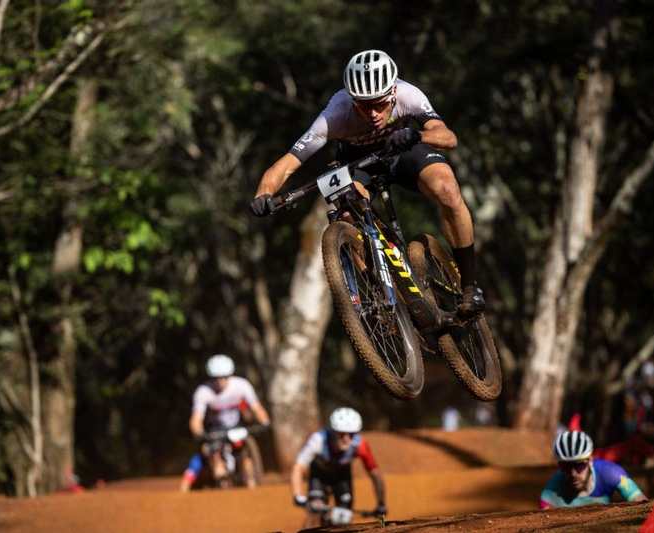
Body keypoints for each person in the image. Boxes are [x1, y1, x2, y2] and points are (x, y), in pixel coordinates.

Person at [250, 49, 484, 316]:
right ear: (351, 100)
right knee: (347, 212)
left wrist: (417, 135)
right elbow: (286, 164)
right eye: (363, 105)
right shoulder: (335, 114)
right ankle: (377, 290)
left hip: (405, 150)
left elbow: (448, 138)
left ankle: (469, 286)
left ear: (393, 93)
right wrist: (263, 193)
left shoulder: (408, 94)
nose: (373, 113)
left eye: (380, 104)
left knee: (447, 189)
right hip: (358, 163)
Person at [179, 354, 270, 491]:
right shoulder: (203, 392)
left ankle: (251, 483)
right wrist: (199, 433)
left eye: (224, 377)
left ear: (230, 375)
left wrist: (265, 422)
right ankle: (219, 480)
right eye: (216, 378)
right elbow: (196, 418)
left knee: (244, 453)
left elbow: (257, 408)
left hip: (236, 426)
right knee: (213, 455)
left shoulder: (242, 385)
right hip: (214, 430)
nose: (220, 381)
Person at [291, 407, 386, 527]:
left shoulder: (360, 444)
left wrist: (381, 503)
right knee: (315, 511)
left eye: (351, 434)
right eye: (341, 434)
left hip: (342, 476)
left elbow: (375, 474)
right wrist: (298, 495)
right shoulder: (318, 440)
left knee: (343, 518)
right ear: (332, 431)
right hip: (319, 475)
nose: (346, 439)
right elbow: (298, 467)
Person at [540, 430, 648, 509]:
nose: (573, 473)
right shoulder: (550, 493)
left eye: (579, 465)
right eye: (566, 466)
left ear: (590, 460)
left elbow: (643, 506)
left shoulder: (611, 473)